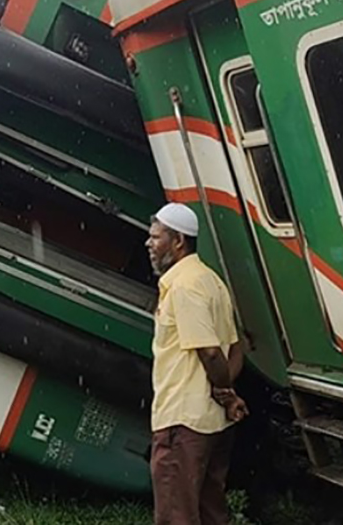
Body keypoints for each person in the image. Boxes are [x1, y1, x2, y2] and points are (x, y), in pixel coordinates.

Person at [146, 203, 247, 525]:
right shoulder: (210, 281)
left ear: (178, 242)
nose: (149, 244)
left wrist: (222, 388)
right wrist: (226, 395)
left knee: (177, 515)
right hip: (211, 423)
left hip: (183, 421)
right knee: (210, 511)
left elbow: (212, 353)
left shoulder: (185, 287)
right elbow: (235, 349)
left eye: (155, 237)